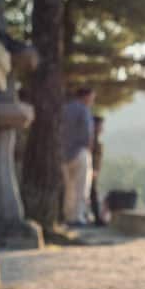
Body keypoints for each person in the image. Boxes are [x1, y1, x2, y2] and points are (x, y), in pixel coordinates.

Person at [60, 87, 95, 226]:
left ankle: (68, 216)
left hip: (63, 154)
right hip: (80, 152)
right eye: (92, 98)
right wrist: (89, 150)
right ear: (86, 96)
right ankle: (77, 217)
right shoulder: (83, 110)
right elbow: (88, 133)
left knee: (68, 187)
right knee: (81, 187)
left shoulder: (64, 109)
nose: (92, 101)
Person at [89, 115, 106, 226]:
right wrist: (93, 170)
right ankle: (97, 219)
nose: (102, 128)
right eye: (100, 125)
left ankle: (97, 217)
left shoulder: (97, 141)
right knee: (92, 193)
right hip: (90, 171)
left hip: (93, 171)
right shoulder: (91, 140)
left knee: (92, 193)